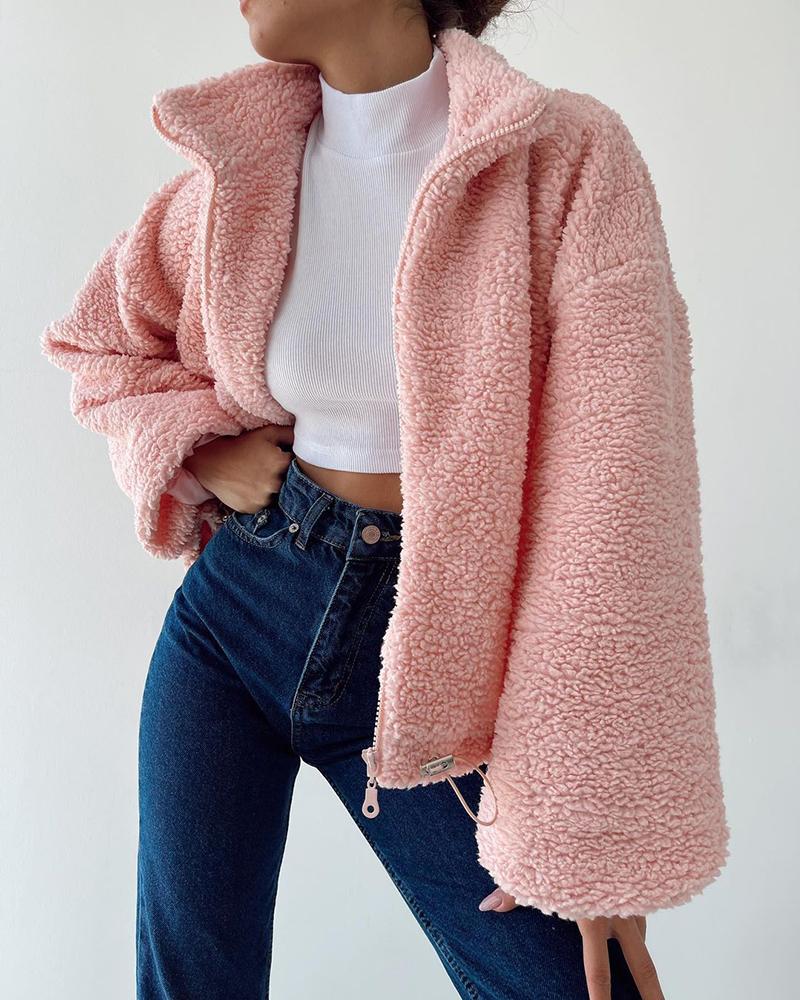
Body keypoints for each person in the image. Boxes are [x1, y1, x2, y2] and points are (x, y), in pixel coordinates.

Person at [40, 2, 730, 998]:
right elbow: (99, 344)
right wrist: (201, 453)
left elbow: (614, 501)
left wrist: (588, 834)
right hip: (234, 619)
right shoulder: (243, 174)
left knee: (578, 985)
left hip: (432, 652)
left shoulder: (562, 158)